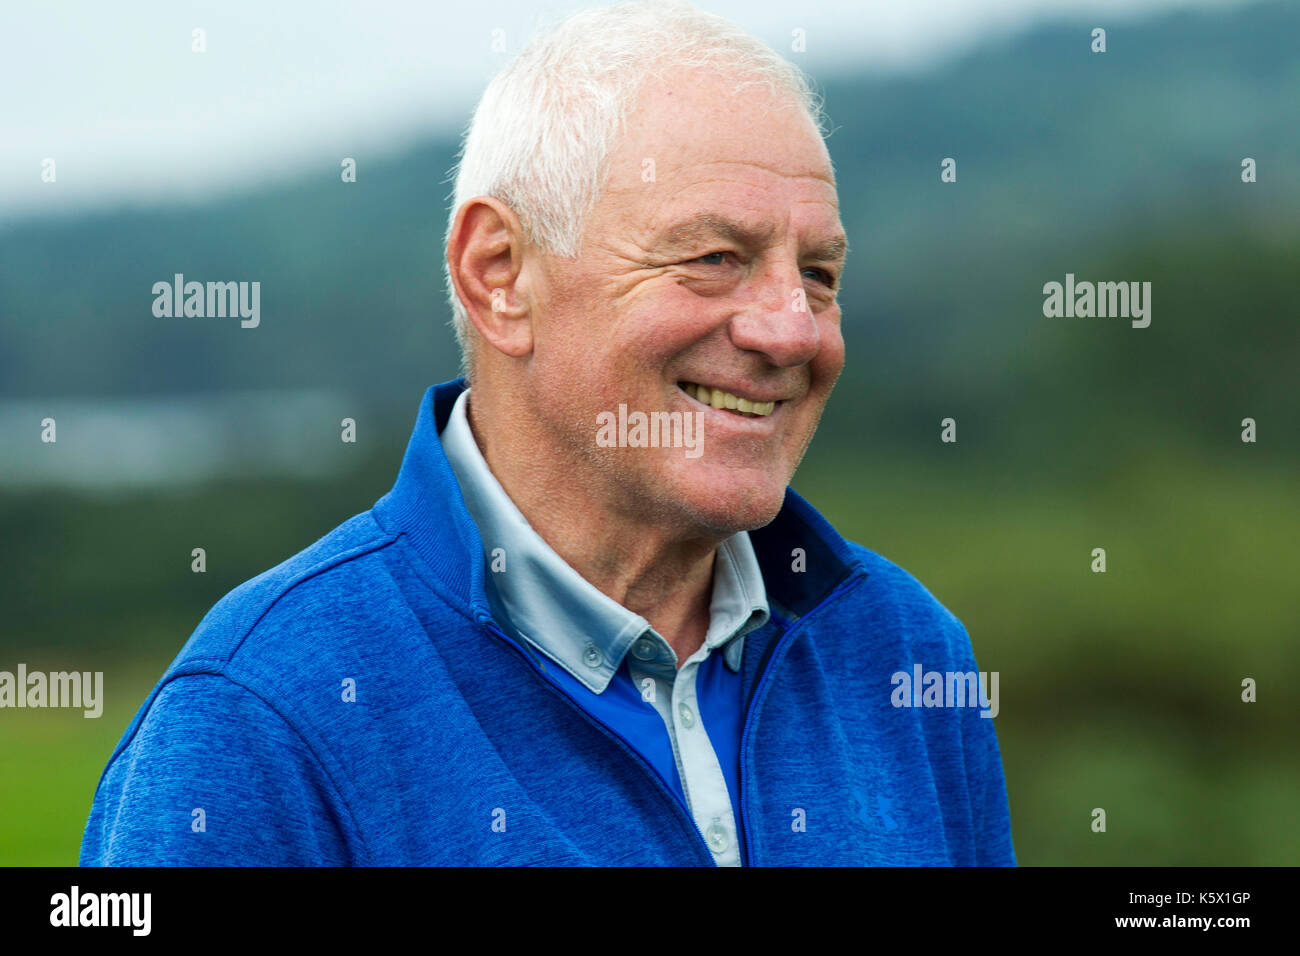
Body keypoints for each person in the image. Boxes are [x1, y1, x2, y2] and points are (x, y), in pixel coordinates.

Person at [81, 0, 1015, 866]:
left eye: (817, 273)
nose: (791, 329)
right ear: (499, 277)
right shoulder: (259, 717)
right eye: (714, 258)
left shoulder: (906, 651)